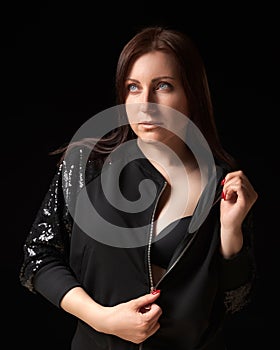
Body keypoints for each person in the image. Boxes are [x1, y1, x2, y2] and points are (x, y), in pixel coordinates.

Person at [19, 25, 258, 350]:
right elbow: (40, 257)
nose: (146, 103)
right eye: (133, 87)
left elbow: (233, 299)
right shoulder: (87, 163)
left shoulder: (222, 184)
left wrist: (231, 230)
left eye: (163, 86)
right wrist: (102, 318)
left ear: (192, 94)